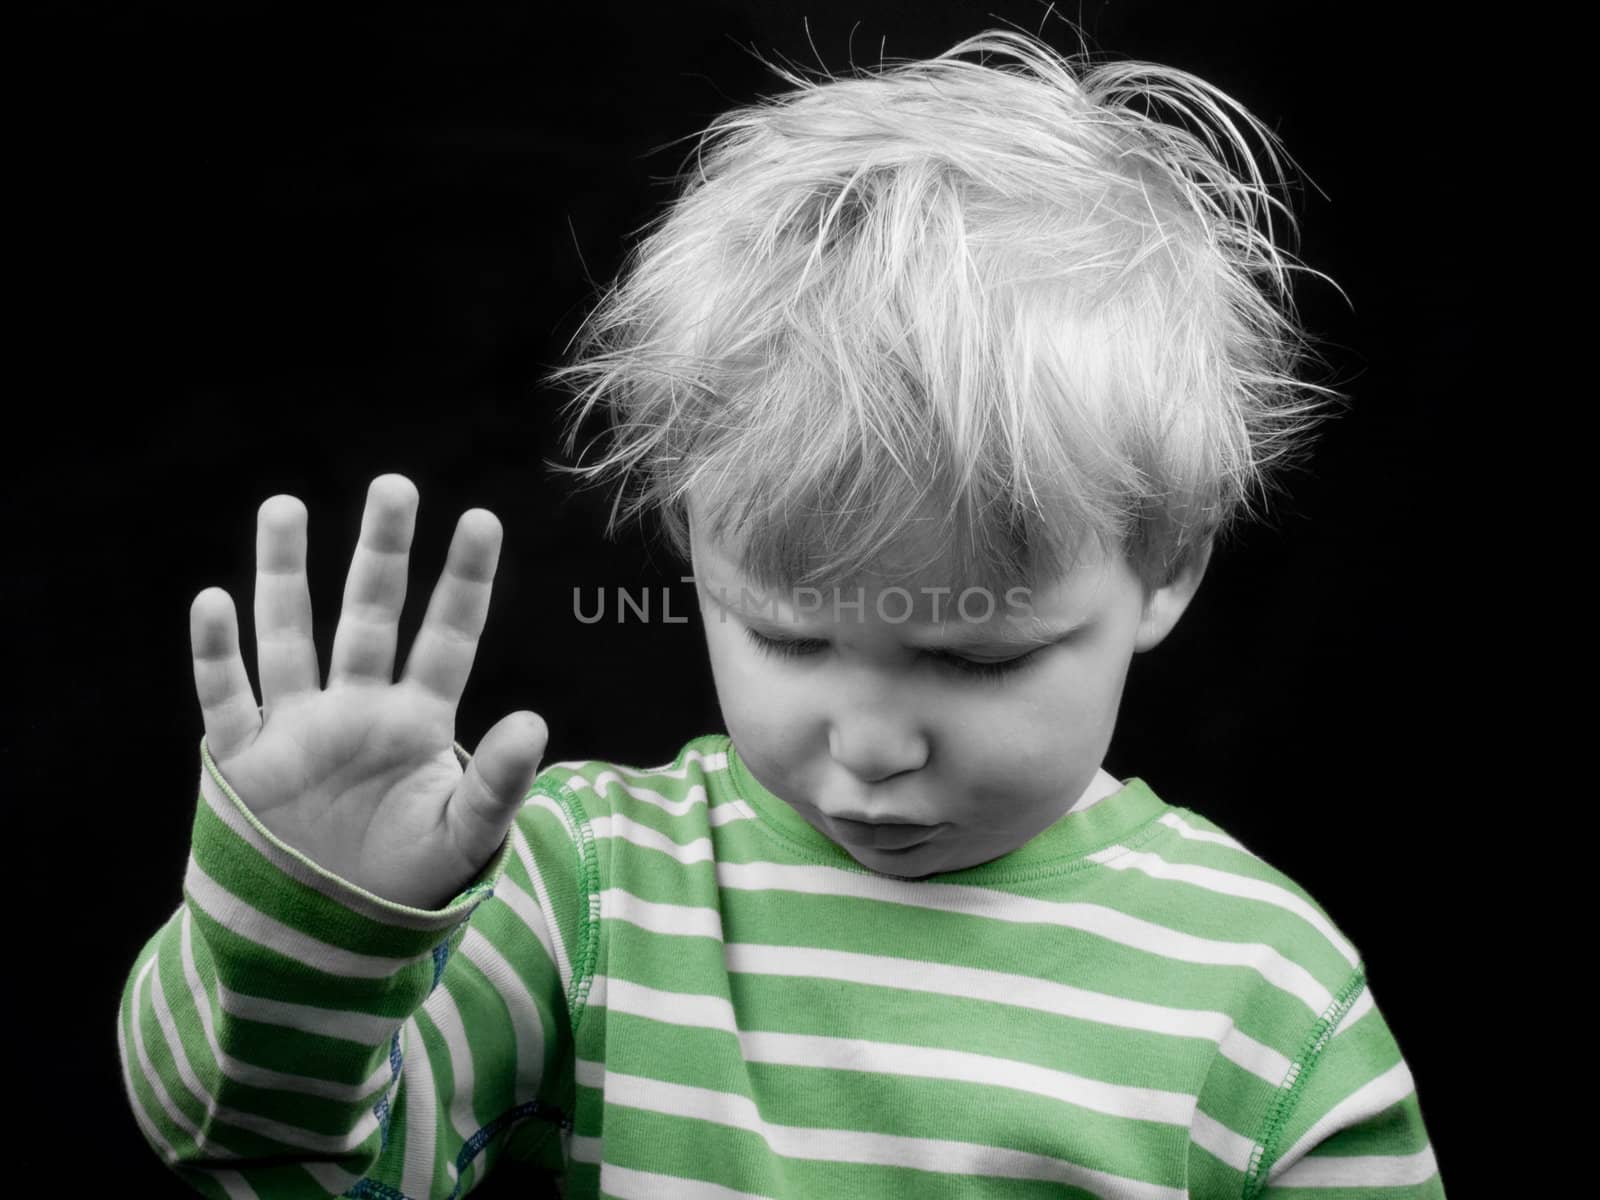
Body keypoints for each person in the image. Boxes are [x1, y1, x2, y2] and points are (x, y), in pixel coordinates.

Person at [116, 28, 1444, 1199]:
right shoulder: (581, 895)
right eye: (790, 637)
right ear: (694, 547)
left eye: (972, 656)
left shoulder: (1265, 995)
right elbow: (264, 1154)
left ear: (1166, 570)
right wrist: (306, 931)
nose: (869, 747)